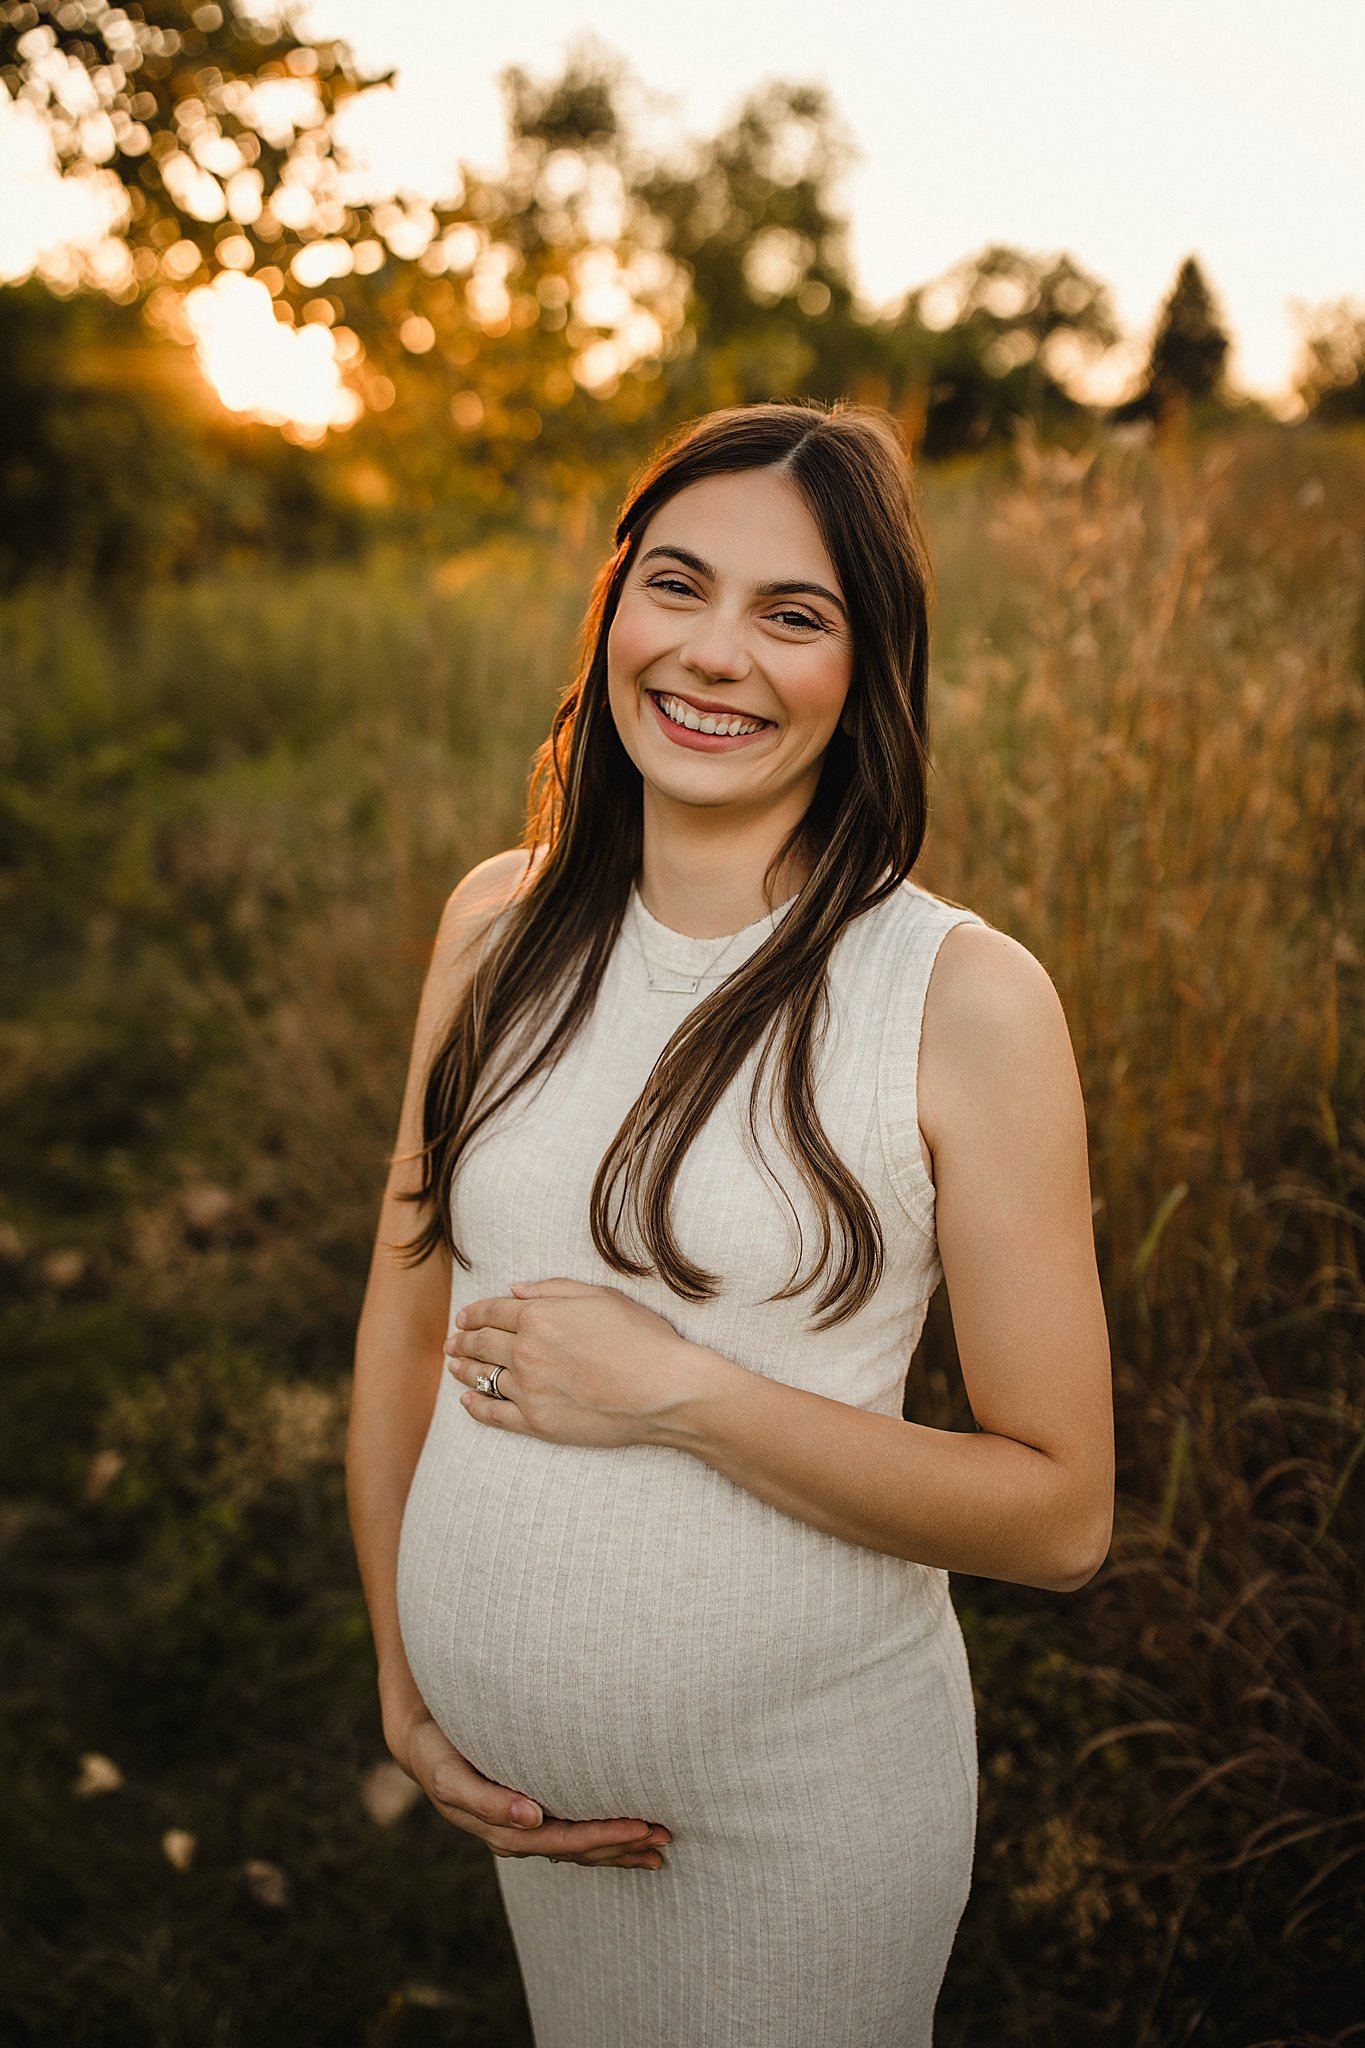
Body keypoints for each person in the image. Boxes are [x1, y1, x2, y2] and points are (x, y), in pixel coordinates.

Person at [346, 399, 1114, 2048]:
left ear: (867, 670)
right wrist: (408, 1687)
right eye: (676, 586)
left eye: (792, 615)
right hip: (522, 1802)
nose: (712, 656)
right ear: (614, 604)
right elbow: (405, 1318)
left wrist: (678, 1392)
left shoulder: (958, 1000)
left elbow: (1059, 1516)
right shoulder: (498, 921)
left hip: (801, 1822)